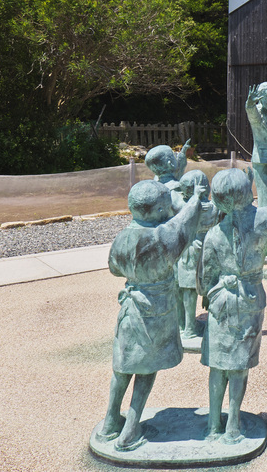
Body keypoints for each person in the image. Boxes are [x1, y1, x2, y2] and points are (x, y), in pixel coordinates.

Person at [97, 179, 204, 451]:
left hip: (129, 308)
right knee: (147, 367)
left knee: (122, 366)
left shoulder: (122, 237)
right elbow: (184, 224)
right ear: (158, 210)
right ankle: (131, 430)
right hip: (156, 308)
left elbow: (114, 269)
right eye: (165, 207)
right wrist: (195, 199)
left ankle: (111, 422)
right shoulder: (160, 237)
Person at [198, 157, 267, 444]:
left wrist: (210, 292)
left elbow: (204, 280)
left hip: (221, 302)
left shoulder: (214, 234)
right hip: (250, 297)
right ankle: (233, 425)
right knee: (239, 366)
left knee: (218, 365)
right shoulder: (262, 223)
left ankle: (213, 425)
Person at [175, 170, 219, 345]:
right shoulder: (212, 207)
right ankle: (189, 329)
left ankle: (186, 326)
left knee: (186, 290)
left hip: (187, 251)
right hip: (199, 250)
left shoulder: (184, 207)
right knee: (191, 290)